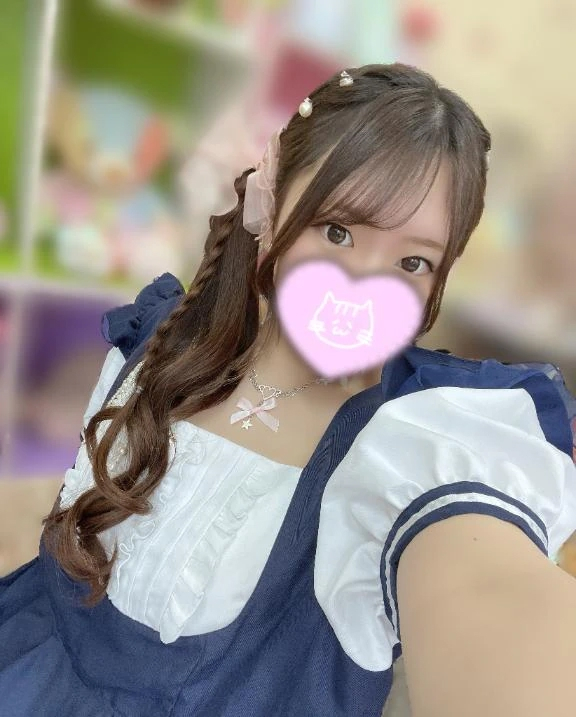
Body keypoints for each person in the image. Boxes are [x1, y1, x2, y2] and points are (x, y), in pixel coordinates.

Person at [1, 63, 576, 717]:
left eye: (413, 261)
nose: (361, 284)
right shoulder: (158, 333)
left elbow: (489, 589)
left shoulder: (416, 446)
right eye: (337, 230)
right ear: (272, 205)